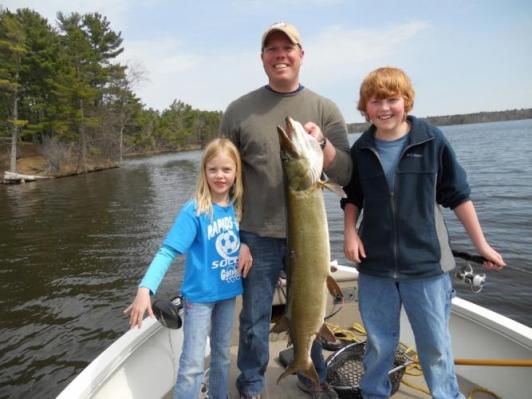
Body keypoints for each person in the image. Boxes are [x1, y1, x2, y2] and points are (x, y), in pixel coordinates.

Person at [342, 66, 506, 399]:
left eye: (392, 99)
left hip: (427, 267)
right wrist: (349, 233)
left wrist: (482, 245)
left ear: (407, 101)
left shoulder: (431, 139)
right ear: (364, 107)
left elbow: (458, 196)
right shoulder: (360, 148)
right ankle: (374, 394)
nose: (384, 108)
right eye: (375, 101)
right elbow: (352, 197)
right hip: (375, 267)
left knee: (435, 347)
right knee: (378, 344)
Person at [220, 21, 352, 399]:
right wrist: (235, 237)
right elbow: (223, 180)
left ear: (300, 55)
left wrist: (322, 143)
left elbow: (345, 171)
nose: (280, 56)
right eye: (272, 50)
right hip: (255, 236)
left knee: (309, 308)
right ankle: (251, 387)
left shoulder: (324, 108)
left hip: (308, 242)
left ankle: (312, 375)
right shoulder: (238, 111)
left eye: (287, 48)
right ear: (262, 58)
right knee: (253, 320)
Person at [124, 138, 244, 399]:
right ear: (204, 172)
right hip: (198, 300)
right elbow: (167, 251)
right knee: (192, 364)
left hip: (227, 294)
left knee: (223, 355)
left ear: (236, 173)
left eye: (226, 169)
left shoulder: (240, 208)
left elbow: (253, 243)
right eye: (213, 169)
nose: (220, 176)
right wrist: (145, 288)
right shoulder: (194, 210)